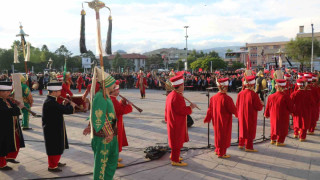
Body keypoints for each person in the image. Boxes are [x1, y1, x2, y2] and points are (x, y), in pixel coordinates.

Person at [89, 73, 119, 179]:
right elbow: (99, 116)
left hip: (112, 135)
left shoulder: (106, 96)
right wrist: (109, 132)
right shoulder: (100, 97)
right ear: (106, 84)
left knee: (112, 162)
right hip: (104, 137)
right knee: (101, 165)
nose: (115, 85)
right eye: (113, 83)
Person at [42, 82, 76, 172]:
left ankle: (56, 162)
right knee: (54, 146)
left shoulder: (52, 100)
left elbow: (59, 109)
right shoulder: (50, 102)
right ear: (54, 92)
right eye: (59, 91)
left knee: (57, 145)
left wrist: (65, 104)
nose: (61, 92)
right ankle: (52, 166)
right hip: (52, 129)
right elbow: (64, 110)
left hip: (55, 127)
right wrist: (71, 106)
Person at [165, 75, 196, 166]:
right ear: (180, 86)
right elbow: (182, 110)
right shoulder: (178, 97)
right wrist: (190, 107)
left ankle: (174, 155)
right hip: (177, 122)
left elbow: (167, 109)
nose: (183, 87)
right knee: (177, 141)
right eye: (183, 85)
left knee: (175, 140)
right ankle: (175, 160)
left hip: (172, 121)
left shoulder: (171, 94)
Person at [204, 78, 237, 158]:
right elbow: (233, 110)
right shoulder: (227, 99)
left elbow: (210, 110)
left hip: (216, 120)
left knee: (217, 135)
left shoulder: (213, 98)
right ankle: (221, 153)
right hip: (224, 121)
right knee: (223, 136)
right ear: (225, 88)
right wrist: (239, 113)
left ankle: (217, 149)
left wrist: (208, 118)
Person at [0, 81, 25, 171]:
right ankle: (2, 165)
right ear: (0, 92)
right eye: (6, 92)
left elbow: (13, 108)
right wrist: (19, 108)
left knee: (15, 142)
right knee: (2, 146)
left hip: (12, 126)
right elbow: (6, 112)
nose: (8, 94)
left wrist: (16, 104)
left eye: (9, 92)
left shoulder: (7, 100)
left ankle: (9, 157)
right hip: (3, 128)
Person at [236, 75, 263, 152]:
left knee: (242, 128)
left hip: (241, 115)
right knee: (249, 130)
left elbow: (237, 105)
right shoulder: (253, 94)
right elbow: (259, 107)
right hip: (250, 115)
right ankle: (248, 146)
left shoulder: (240, 93)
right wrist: (261, 103)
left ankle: (241, 144)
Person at [110, 80, 133, 168]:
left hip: (117, 122)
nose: (119, 92)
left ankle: (115, 158)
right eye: (117, 90)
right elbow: (120, 110)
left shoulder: (113, 99)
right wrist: (129, 106)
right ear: (114, 91)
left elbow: (118, 108)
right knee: (116, 142)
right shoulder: (113, 100)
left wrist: (122, 102)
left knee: (117, 141)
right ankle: (113, 161)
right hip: (115, 124)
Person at [264, 79, 293, 146]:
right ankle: (279, 141)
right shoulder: (286, 96)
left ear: (276, 87)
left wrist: (266, 114)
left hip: (273, 114)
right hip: (283, 115)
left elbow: (268, 106)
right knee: (282, 128)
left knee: (274, 127)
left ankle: (273, 139)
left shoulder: (271, 96)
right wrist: (292, 112)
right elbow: (290, 107)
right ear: (284, 87)